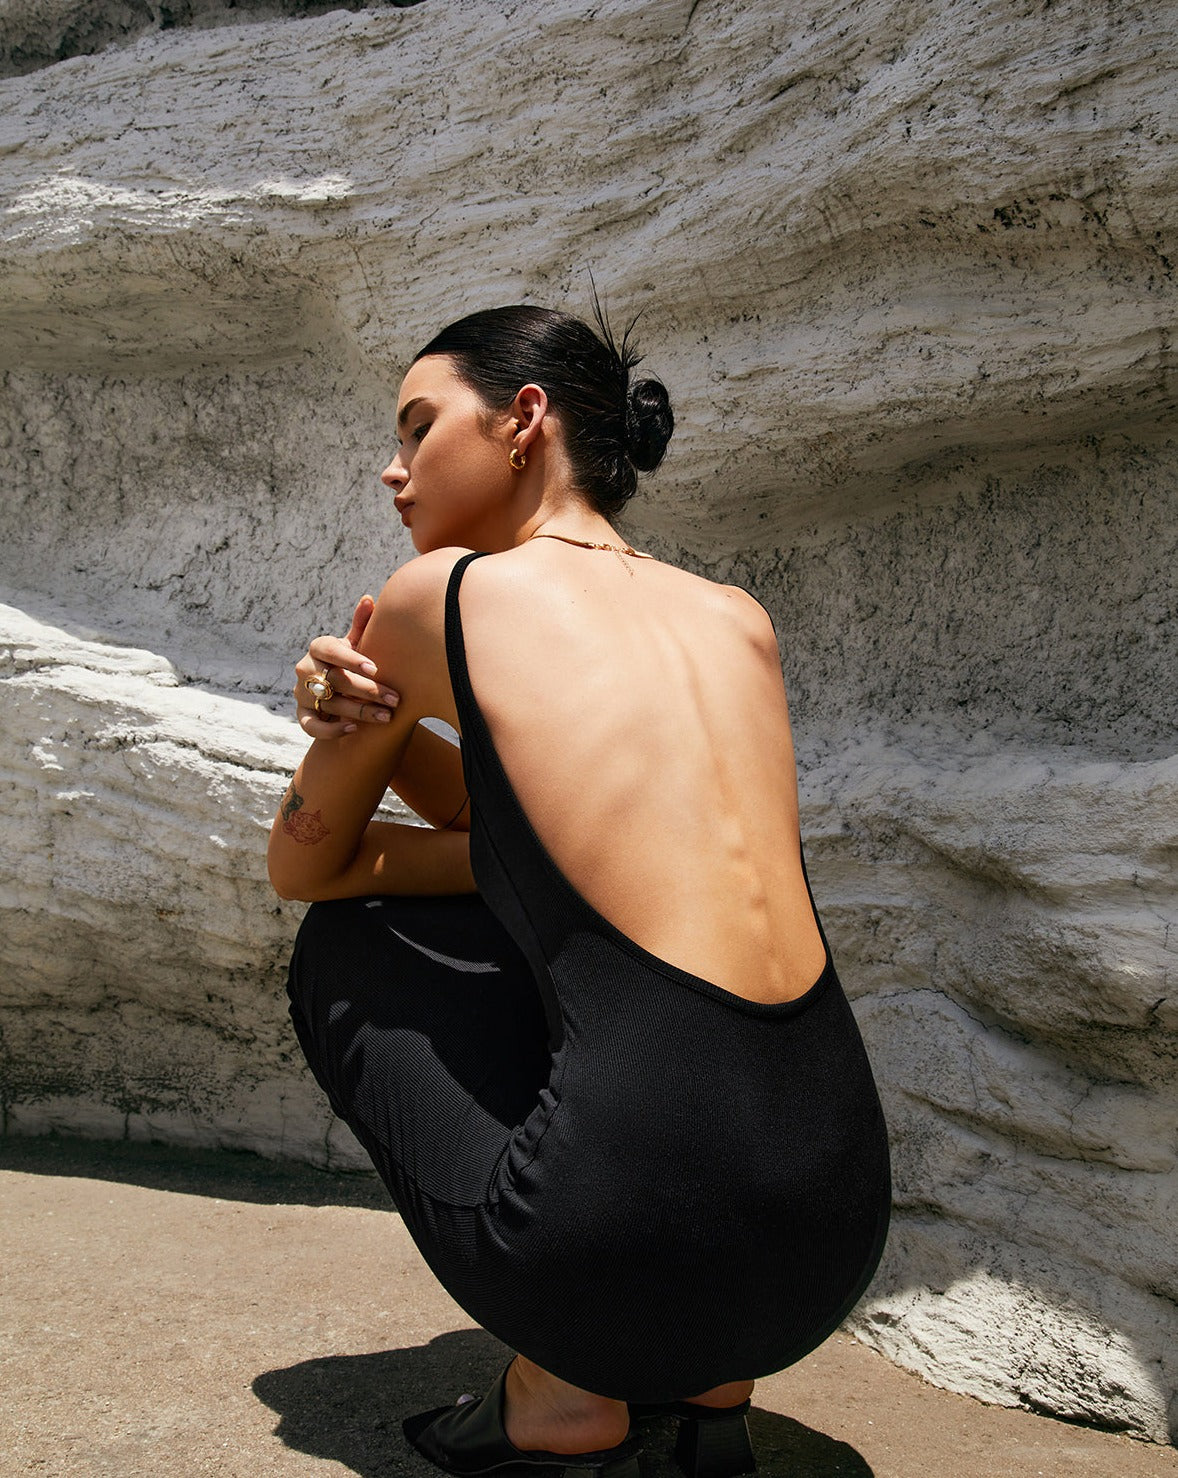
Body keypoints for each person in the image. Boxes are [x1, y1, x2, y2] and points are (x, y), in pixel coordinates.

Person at [267, 305, 891, 1478]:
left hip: (617, 1239)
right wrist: (399, 737)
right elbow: (526, 829)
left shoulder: (442, 593)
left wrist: (346, 711)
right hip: (829, 1237)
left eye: (417, 425)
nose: (390, 468)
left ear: (524, 419)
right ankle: (711, 1391)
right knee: (591, 944)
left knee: (344, 945)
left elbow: (303, 864)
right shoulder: (731, 616)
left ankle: (558, 1391)